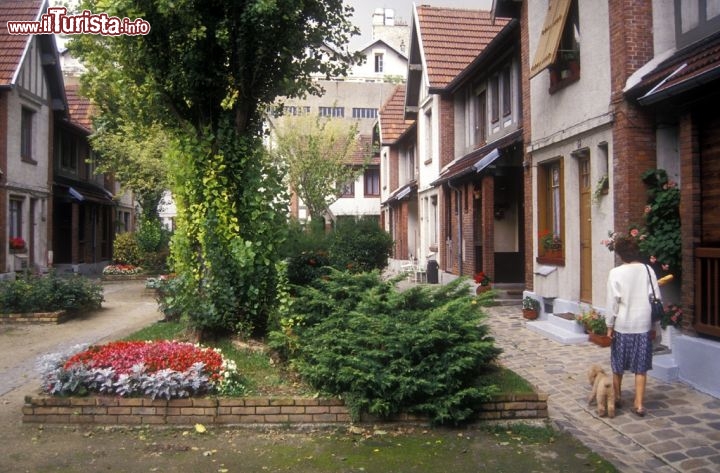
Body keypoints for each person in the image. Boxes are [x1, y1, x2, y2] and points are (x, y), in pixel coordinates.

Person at [605, 236, 660, 417]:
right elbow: (656, 298)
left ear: (620, 254)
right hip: (643, 323)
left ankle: (618, 396)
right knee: (640, 365)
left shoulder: (616, 273)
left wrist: (609, 325)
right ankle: (639, 404)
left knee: (618, 363)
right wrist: (654, 324)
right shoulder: (648, 270)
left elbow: (612, 302)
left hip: (623, 323)